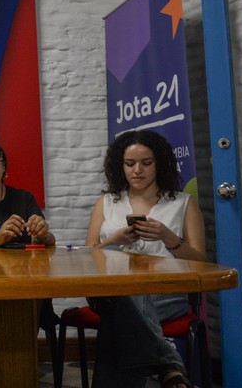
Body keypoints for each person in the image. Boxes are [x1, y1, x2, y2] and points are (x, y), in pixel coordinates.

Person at [84, 129, 205, 388]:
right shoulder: (106, 202)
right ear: (121, 166)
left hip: (165, 290)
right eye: (130, 164)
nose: (137, 170)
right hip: (107, 290)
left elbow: (200, 262)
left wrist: (168, 237)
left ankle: (166, 368)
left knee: (118, 321)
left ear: (159, 164)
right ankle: (170, 366)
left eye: (146, 163)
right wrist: (113, 242)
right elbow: (87, 256)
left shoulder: (183, 203)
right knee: (125, 288)